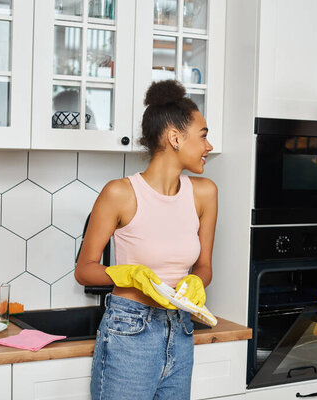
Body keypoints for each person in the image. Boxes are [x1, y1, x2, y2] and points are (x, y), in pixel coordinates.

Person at [74, 80, 217, 400]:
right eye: (204, 135)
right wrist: (128, 275)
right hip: (129, 332)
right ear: (175, 138)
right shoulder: (120, 193)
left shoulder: (205, 193)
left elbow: (205, 265)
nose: (209, 146)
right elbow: (84, 269)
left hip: (180, 330)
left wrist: (197, 282)